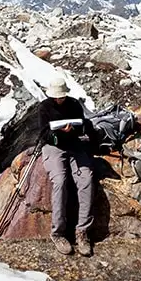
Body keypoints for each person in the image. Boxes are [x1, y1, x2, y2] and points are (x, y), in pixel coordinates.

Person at [37, 76, 95, 256]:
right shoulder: (44, 107)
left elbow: (84, 125)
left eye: (61, 97)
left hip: (74, 146)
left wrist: (76, 129)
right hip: (54, 147)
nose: (58, 99)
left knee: (86, 179)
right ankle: (58, 233)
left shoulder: (74, 104)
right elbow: (43, 133)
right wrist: (60, 134)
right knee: (60, 181)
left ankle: (82, 231)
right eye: (56, 97)